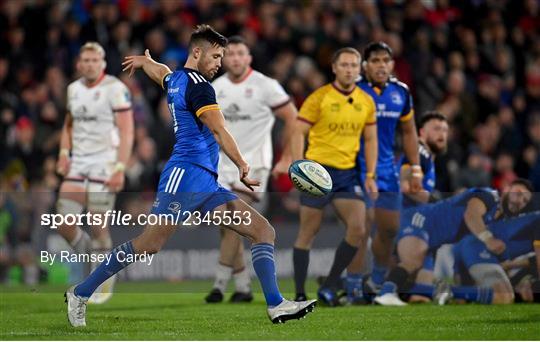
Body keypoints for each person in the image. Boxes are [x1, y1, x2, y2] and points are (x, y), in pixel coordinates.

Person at [65, 25, 316, 327]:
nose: (219, 62)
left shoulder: (176, 78)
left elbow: (161, 73)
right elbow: (219, 130)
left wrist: (146, 63)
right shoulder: (200, 86)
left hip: (206, 182)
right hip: (183, 176)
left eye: (221, 56)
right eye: (215, 55)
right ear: (197, 52)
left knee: (263, 231)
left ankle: (276, 304)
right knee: (149, 244)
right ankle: (80, 293)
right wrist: (242, 166)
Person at [205, 36, 297, 303]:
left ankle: (219, 285)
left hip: (254, 165)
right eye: (229, 54)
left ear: (249, 58)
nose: (234, 58)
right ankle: (243, 285)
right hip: (222, 165)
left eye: (240, 53)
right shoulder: (216, 87)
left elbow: (292, 117)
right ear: (223, 59)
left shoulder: (265, 86)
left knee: (235, 219)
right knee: (226, 225)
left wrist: (287, 157)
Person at [291, 47, 378, 306]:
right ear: (334, 68)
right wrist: (299, 165)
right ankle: (298, 293)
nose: (350, 69)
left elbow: (371, 138)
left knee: (359, 228)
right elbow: (297, 131)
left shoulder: (366, 102)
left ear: (359, 69)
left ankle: (329, 285)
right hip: (317, 172)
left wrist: (370, 175)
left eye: (354, 65)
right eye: (345, 65)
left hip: (346, 175)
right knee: (309, 231)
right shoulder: (319, 98)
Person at [56, 41, 134, 304]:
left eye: (94, 60)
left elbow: (127, 130)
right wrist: (64, 153)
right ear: (79, 64)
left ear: (102, 64)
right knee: (63, 222)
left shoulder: (115, 89)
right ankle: (99, 263)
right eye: (85, 60)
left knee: (98, 223)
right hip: (79, 163)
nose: (89, 64)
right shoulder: (73, 89)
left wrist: (120, 167)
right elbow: (68, 125)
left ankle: (102, 282)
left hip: (105, 162)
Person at [374, 179, 535, 306]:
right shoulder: (489, 196)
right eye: (518, 193)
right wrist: (488, 239)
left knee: (421, 293)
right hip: (421, 221)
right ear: (507, 189)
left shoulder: (498, 218)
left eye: (525, 200)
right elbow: (471, 215)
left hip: (433, 241)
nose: (520, 200)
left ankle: (375, 287)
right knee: (412, 262)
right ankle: (385, 293)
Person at [346, 41, 422, 295]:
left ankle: (376, 278)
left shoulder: (401, 92)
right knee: (361, 225)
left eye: (385, 61)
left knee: (390, 229)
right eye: (375, 60)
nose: (381, 65)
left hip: (387, 170)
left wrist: (416, 167)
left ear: (391, 64)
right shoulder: (352, 89)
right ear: (365, 65)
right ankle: (353, 285)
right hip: (355, 167)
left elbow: (409, 132)